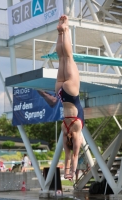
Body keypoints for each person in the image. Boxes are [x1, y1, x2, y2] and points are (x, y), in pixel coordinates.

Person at [55, 15, 84, 181]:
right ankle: (60, 32)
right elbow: (67, 156)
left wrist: (72, 173)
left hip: (72, 94)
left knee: (69, 57)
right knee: (61, 59)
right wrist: (66, 173)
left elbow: (74, 156)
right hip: (61, 92)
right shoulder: (65, 130)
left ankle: (65, 29)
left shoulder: (77, 129)